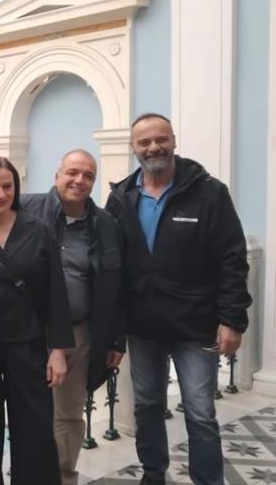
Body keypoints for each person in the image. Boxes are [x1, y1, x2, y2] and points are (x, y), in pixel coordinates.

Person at [105, 113, 251, 485]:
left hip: (196, 326)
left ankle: (208, 481)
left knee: (200, 413)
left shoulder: (209, 192)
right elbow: (110, 265)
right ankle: (153, 474)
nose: (153, 147)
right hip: (143, 327)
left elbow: (232, 258)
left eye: (161, 139)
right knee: (147, 406)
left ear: (173, 140)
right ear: (133, 147)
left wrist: (232, 319)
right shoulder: (121, 197)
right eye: (144, 142)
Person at [0, 156, 74, 485]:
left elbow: (56, 293)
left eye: (7, 186)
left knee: (35, 431)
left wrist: (58, 350)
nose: (1, 194)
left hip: (28, 344)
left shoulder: (38, 229)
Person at [20, 149, 125, 485]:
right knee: (27, 412)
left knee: (68, 414)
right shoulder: (24, 209)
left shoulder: (105, 224)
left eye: (88, 175)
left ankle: (62, 476)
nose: (80, 180)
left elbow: (116, 285)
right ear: (57, 176)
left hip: (79, 336)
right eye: (72, 172)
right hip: (28, 333)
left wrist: (116, 338)